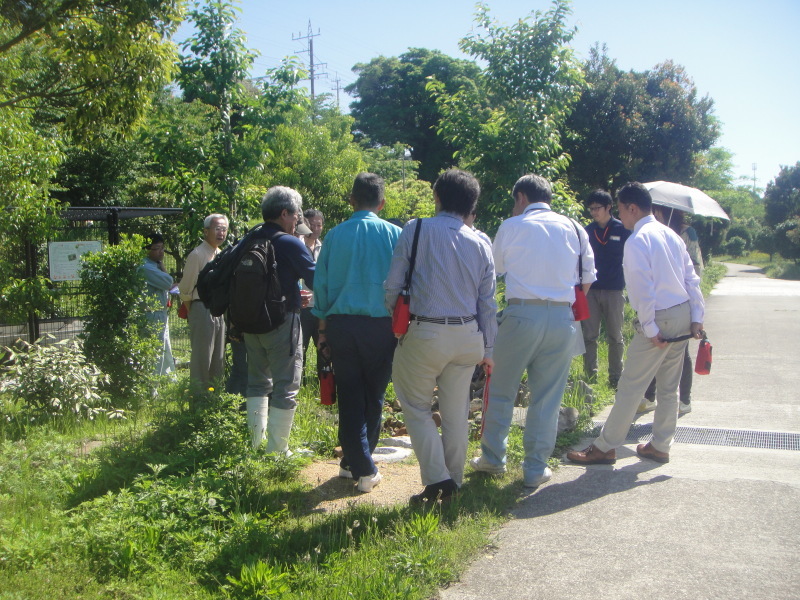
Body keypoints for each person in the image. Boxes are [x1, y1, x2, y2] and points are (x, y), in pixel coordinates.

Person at [471, 174, 596, 488]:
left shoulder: (512, 226)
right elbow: (588, 279)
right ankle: (535, 469)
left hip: (521, 314)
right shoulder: (575, 228)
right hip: (562, 321)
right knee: (547, 398)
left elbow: (494, 270)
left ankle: (493, 460)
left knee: (500, 390)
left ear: (521, 198)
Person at [567, 182, 704, 466]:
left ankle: (605, 447)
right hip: (681, 314)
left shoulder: (637, 240)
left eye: (620, 209)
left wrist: (651, 329)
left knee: (631, 384)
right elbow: (691, 278)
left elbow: (643, 291)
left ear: (632, 208)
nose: (621, 216)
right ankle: (660, 445)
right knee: (669, 387)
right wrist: (696, 318)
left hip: (660, 318)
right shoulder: (671, 235)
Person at [385, 169, 497, 505]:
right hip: (468, 337)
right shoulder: (482, 242)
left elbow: (392, 286)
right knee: (455, 412)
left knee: (415, 406)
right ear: (471, 204)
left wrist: (395, 313)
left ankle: (438, 481)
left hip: (426, 331)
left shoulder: (416, 229)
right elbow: (488, 304)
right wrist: (489, 348)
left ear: (437, 197)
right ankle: (453, 482)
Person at [312, 174, 401, 493]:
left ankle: (353, 462)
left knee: (349, 395)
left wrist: (322, 329)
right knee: (374, 395)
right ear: (382, 203)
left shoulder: (334, 236)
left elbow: (319, 285)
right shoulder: (395, 234)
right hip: (381, 326)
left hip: (341, 324)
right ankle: (364, 466)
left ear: (351, 200)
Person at [243, 186, 315, 453]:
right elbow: (316, 277)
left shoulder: (249, 238)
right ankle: (277, 452)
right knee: (286, 385)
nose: (298, 220)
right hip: (281, 322)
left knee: (257, 383)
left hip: (250, 323)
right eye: (296, 214)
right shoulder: (289, 242)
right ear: (284, 213)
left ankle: (255, 445)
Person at [640, 207, 703, 414]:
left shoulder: (685, 233)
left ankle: (684, 400)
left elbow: (696, 268)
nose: (653, 215)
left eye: (656, 211)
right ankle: (649, 397)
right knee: (653, 350)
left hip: (680, 301)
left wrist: (696, 311)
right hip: (657, 303)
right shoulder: (653, 233)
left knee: (681, 353)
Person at [581, 189, 631, 388]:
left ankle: (615, 377)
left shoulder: (622, 229)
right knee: (589, 335)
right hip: (591, 290)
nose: (594, 212)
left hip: (614, 290)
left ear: (609, 207)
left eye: (597, 208)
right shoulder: (587, 231)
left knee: (615, 336)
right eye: (591, 208)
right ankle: (590, 376)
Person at [178, 214, 228, 390]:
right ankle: (198, 402)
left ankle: (213, 402)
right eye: (217, 228)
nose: (221, 233)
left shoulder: (220, 254)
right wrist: (194, 310)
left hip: (218, 311)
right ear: (206, 231)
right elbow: (185, 289)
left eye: (224, 229)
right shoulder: (197, 254)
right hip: (201, 308)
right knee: (202, 360)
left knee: (218, 360)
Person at [140, 234, 174, 376]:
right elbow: (168, 282)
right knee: (156, 351)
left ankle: (169, 381)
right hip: (151, 314)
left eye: (162, 248)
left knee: (166, 348)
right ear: (147, 250)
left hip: (160, 312)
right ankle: (152, 386)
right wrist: (163, 267)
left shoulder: (155, 265)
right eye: (156, 249)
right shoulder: (146, 267)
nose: (161, 252)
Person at [300, 208, 324, 368]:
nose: (315, 229)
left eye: (319, 225)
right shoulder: (298, 245)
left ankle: (324, 382)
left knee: (322, 347)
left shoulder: (323, 247)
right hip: (302, 306)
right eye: (312, 225)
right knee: (299, 349)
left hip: (320, 306)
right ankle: (297, 383)